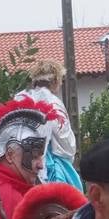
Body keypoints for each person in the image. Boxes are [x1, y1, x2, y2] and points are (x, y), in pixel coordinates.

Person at [15, 61, 83, 189]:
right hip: (48, 165)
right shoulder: (54, 103)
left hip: (16, 162)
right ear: (56, 81)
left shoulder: (19, 98)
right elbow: (65, 144)